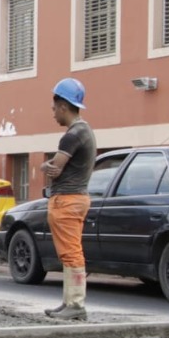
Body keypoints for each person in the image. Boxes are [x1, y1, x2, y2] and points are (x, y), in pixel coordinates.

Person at [40, 78, 96, 321]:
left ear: (63, 105)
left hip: (68, 200)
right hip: (74, 198)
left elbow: (55, 168)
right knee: (68, 253)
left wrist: (47, 165)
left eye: (54, 109)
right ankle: (69, 302)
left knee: (71, 253)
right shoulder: (83, 131)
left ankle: (75, 304)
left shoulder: (73, 134)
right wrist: (48, 165)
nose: (53, 114)